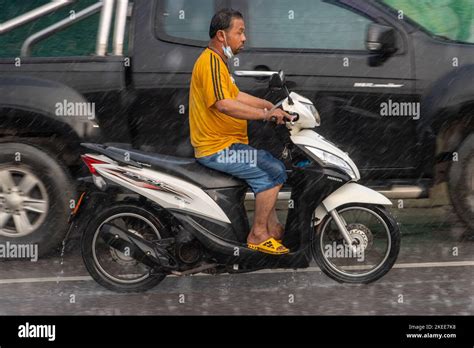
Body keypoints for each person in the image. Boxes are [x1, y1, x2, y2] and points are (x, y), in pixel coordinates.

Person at [189, 8, 294, 255]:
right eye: (240, 32)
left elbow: (234, 95)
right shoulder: (210, 63)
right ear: (222, 36)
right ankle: (258, 235)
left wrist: (268, 104)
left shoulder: (219, 63)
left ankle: (273, 229)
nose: (244, 38)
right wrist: (265, 115)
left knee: (272, 166)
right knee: (271, 172)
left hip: (227, 145)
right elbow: (223, 104)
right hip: (218, 149)